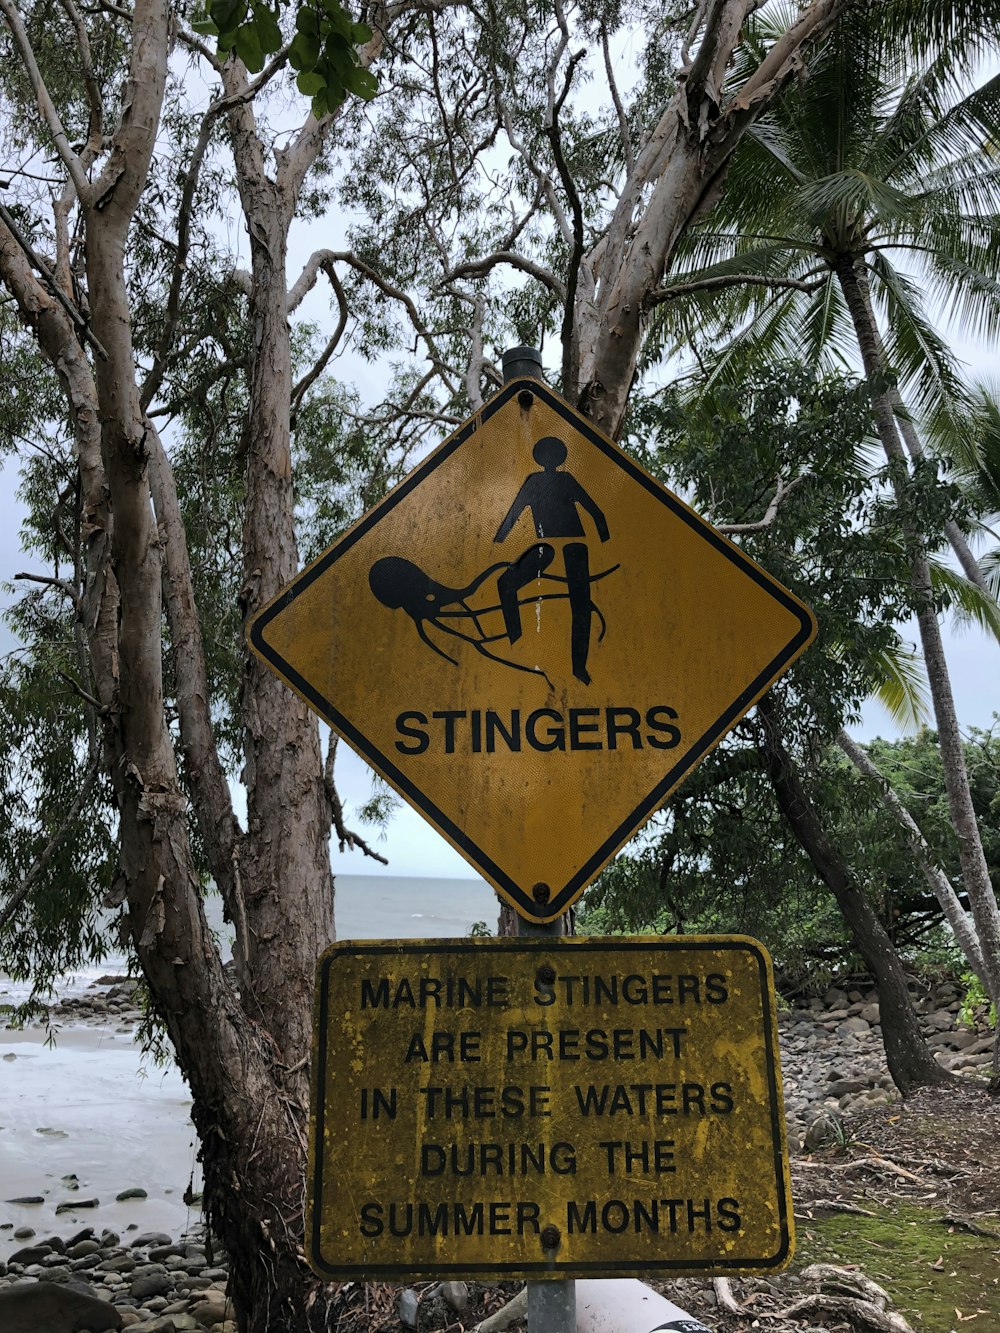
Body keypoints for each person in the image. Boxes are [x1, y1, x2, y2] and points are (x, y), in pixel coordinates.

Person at [494, 436, 610, 684]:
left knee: (578, 607)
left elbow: (512, 517)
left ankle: (523, 646)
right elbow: (596, 513)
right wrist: (605, 540)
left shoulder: (540, 482)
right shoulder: (545, 481)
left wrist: (497, 544)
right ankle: (524, 649)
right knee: (580, 607)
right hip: (562, 547)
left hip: (553, 548)